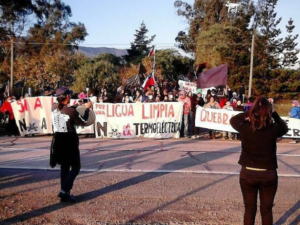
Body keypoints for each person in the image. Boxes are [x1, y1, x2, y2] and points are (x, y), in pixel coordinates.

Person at [230, 97, 288, 225]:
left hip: (248, 173)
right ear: (269, 111)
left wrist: (250, 112)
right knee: (266, 211)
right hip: (268, 173)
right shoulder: (273, 129)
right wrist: (274, 114)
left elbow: (233, 120)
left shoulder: (246, 127)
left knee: (249, 209)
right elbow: (285, 128)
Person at [50, 87, 92, 202]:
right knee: (76, 167)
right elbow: (82, 122)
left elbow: (65, 110)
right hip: (69, 141)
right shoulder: (70, 111)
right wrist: (87, 109)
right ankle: (64, 191)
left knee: (64, 167)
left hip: (58, 140)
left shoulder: (54, 107)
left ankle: (66, 193)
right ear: (67, 96)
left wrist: (77, 106)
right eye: (69, 95)